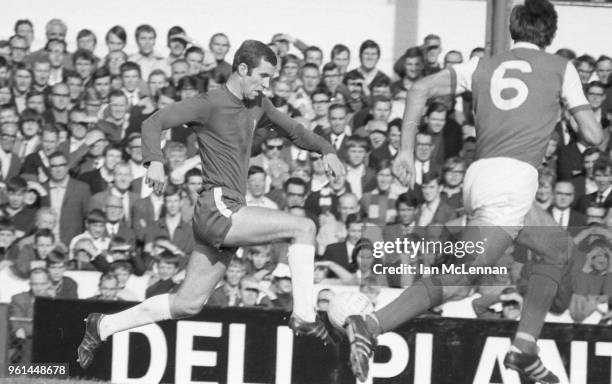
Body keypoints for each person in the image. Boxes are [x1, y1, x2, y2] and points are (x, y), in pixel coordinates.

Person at [344, 1, 603, 383]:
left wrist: (404, 149)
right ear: (550, 34)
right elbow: (595, 135)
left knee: (558, 248)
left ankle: (524, 347)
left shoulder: (483, 64)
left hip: (480, 175)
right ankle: (371, 323)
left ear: (513, 30)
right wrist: (567, 114)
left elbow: (419, 88)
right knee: (459, 279)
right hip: (511, 182)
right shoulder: (560, 68)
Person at [77, 39, 344, 368]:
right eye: (263, 75)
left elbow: (295, 131)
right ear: (242, 69)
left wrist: (327, 150)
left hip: (225, 214)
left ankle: (102, 326)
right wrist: (155, 161)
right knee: (304, 227)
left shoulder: (259, 103)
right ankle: (304, 314)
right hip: (218, 207)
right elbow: (152, 122)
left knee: (187, 305)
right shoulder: (209, 103)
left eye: (271, 78)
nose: (267, 84)